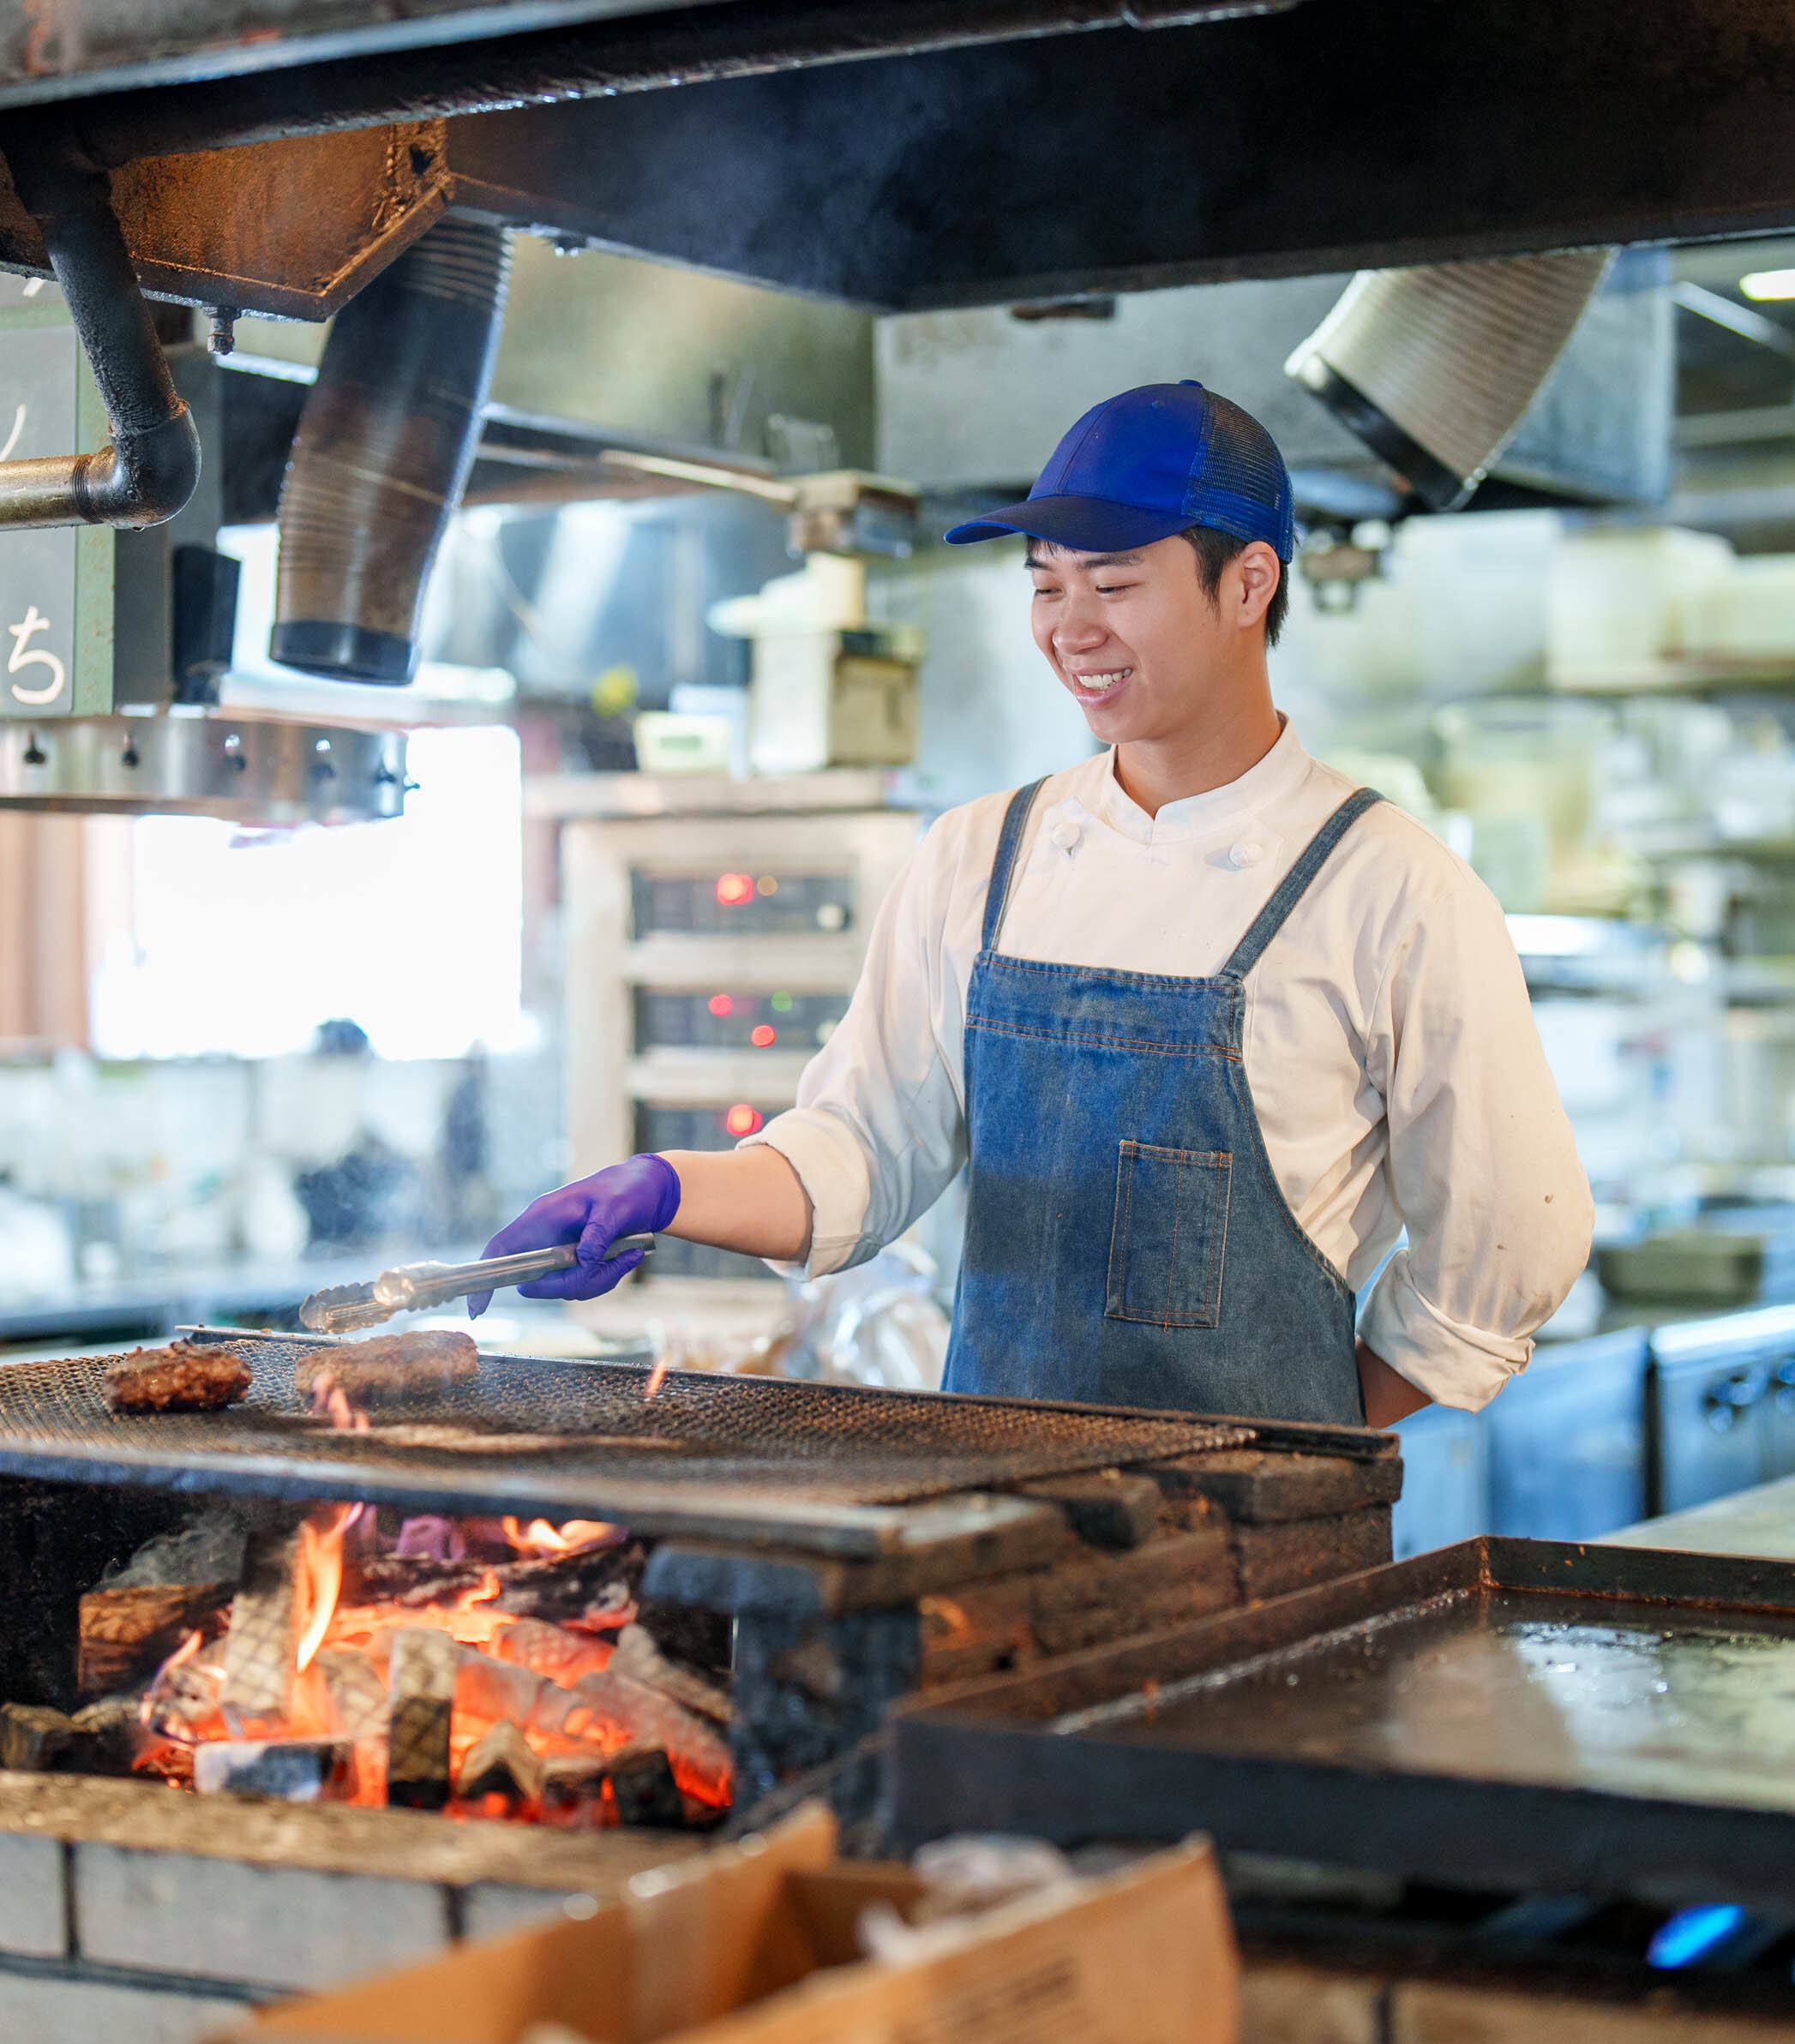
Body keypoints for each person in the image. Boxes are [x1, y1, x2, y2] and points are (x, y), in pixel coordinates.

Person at [474, 381, 1590, 1426]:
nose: (1071, 629)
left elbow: (1504, 1254)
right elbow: (863, 1152)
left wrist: (1305, 1446)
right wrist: (667, 1189)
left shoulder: (1393, 890)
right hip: (993, 1525)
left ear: (1249, 584)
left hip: (1265, 1552)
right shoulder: (980, 857)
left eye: (1114, 586)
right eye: (1047, 586)